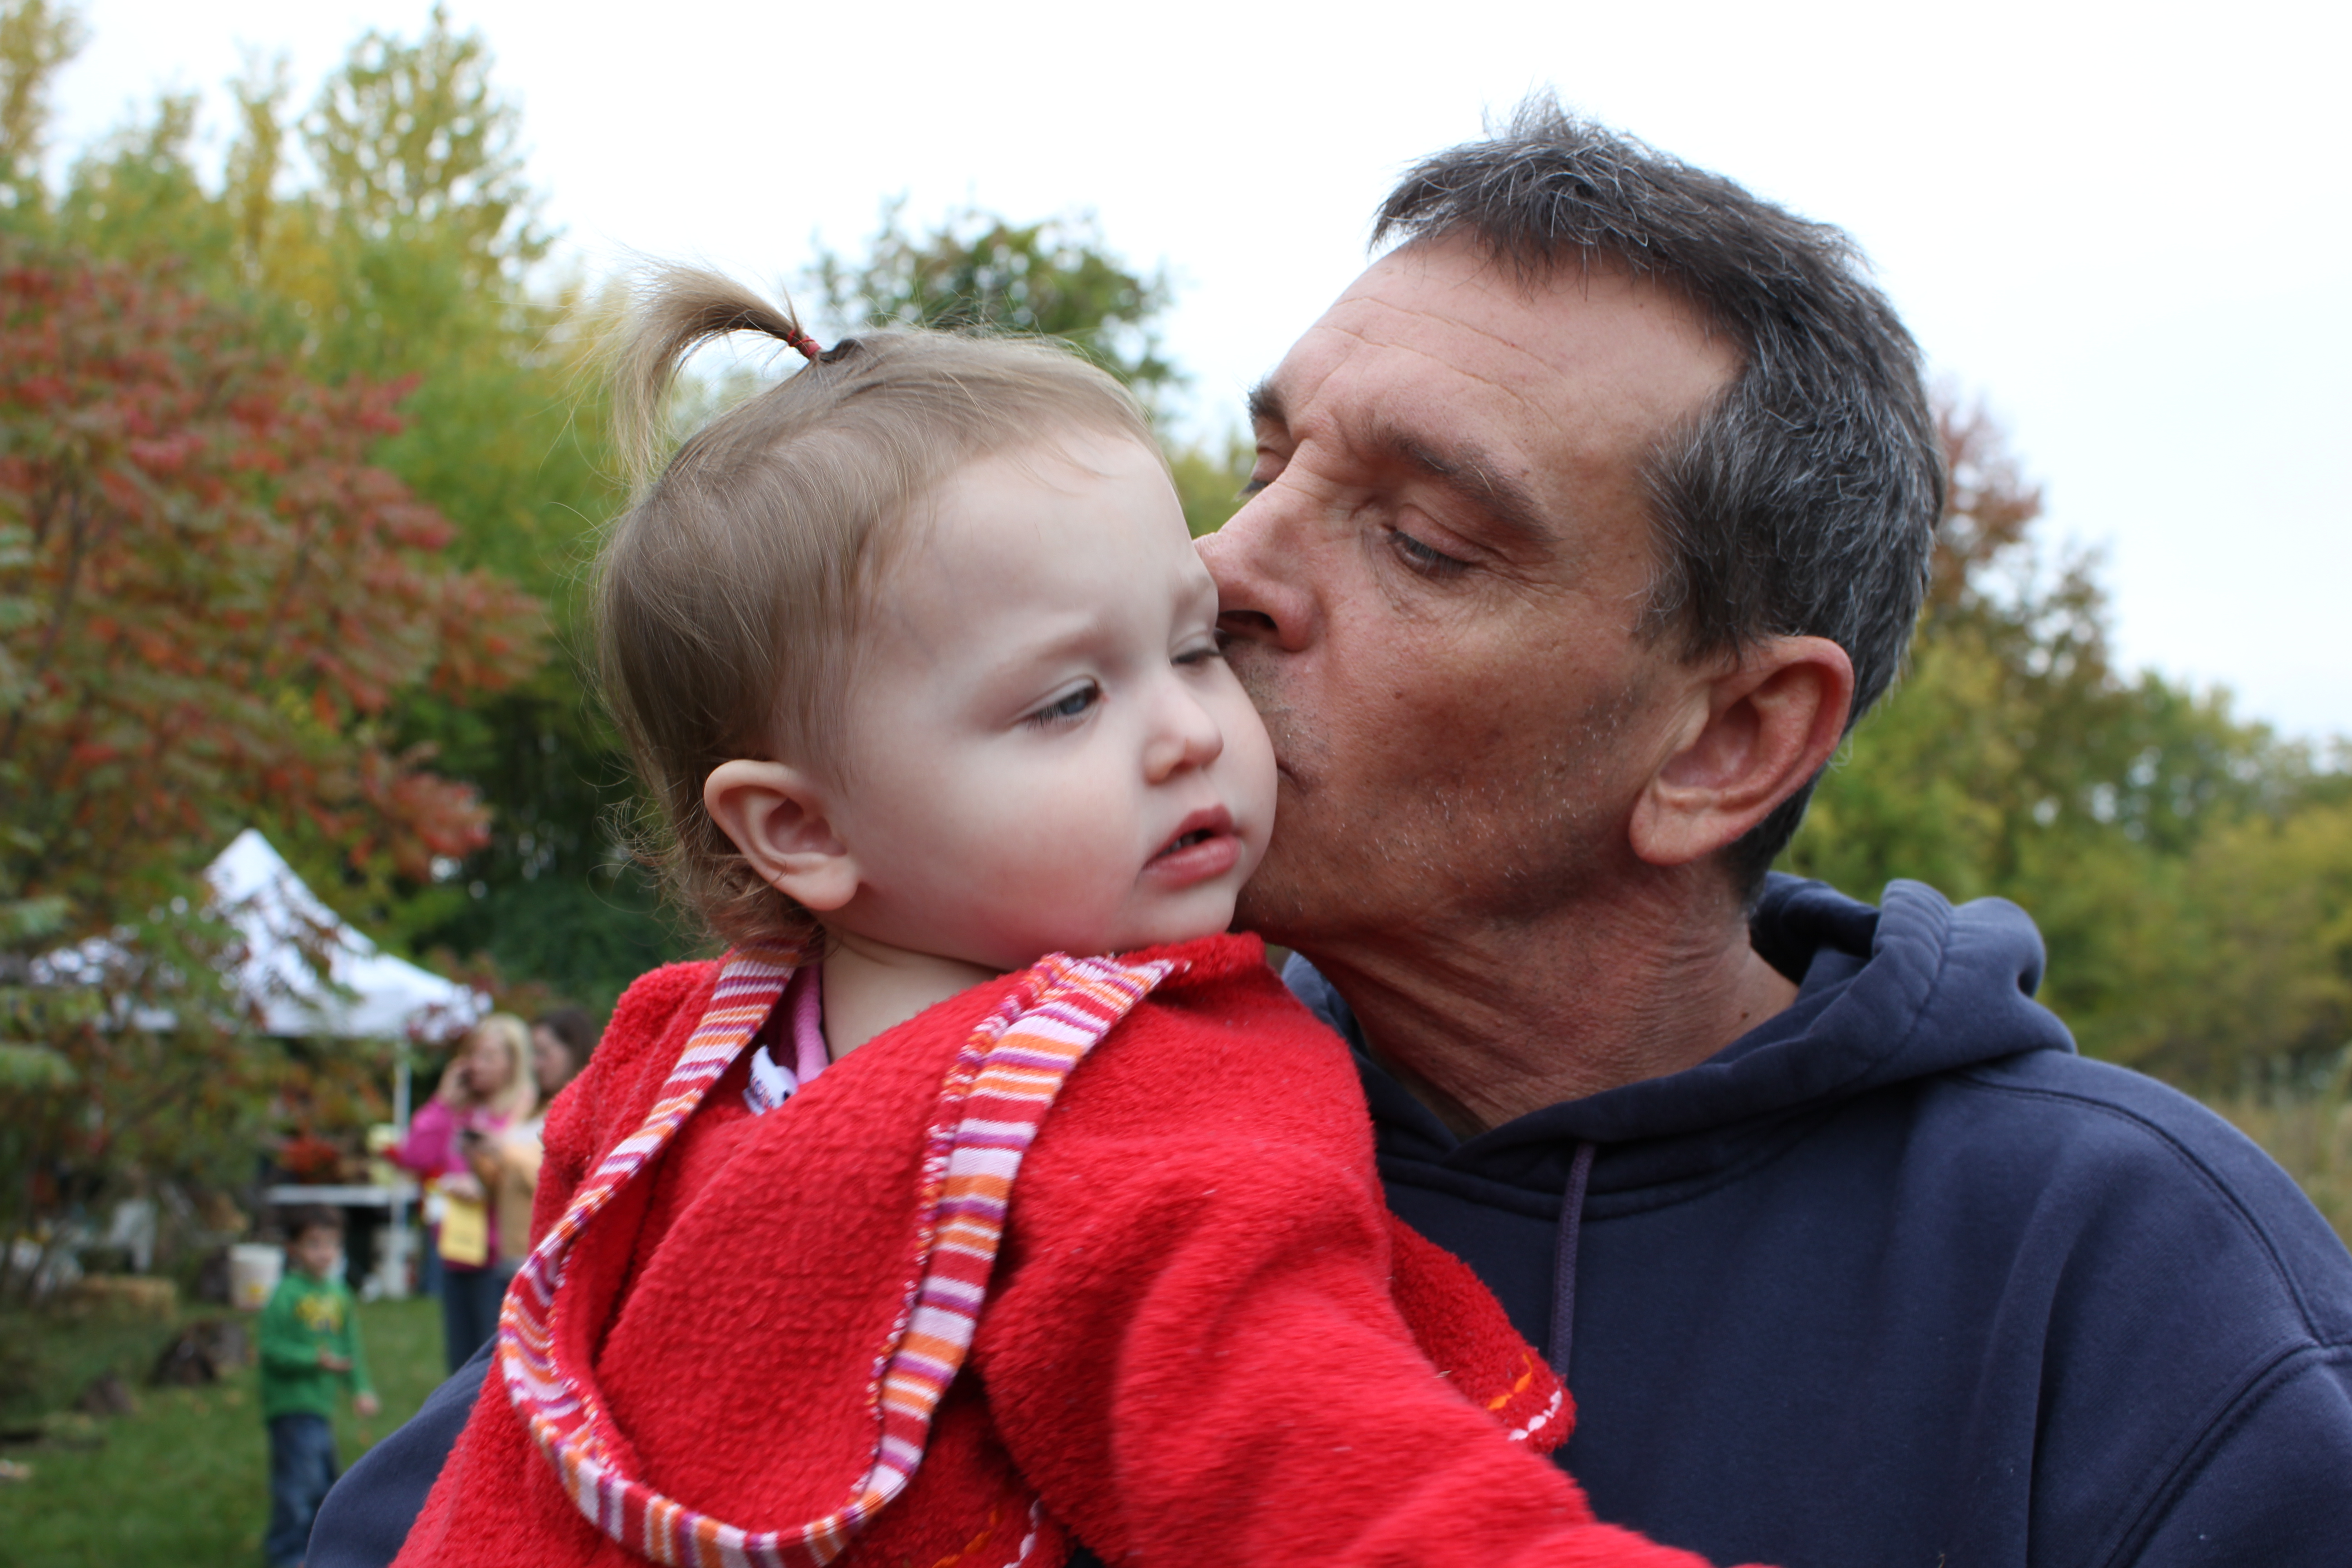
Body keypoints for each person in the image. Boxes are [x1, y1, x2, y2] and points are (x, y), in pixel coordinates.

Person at [318, 101, 2352, 1568]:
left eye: (1422, 537)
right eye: (1267, 458)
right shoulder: (922, 1093)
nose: (1224, 570)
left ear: (1726, 740)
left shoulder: (2119, 1281)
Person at [386, 274, 1725, 1568]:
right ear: (802, 829)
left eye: (1192, 647)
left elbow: (1299, 1446)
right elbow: (1324, 1491)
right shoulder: (1133, 1087)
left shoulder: (692, 1051)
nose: (1190, 730)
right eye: (1068, 702)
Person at [390, 1014, 536, 1372]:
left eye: (488, 1056)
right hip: (457, 1251)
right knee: (460, 1366)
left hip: (499, 1259)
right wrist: (442, 1103)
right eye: (473, 1055)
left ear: (513, 1062)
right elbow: (415, 1157)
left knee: (492, 1366)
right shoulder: (459, 1113)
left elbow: (527, 1175)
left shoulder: (525, 1112)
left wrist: (484, 1185)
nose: (476, 1065)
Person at [260, 1206, 380, 1568]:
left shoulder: (339, 1294)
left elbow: (350, 1347)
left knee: (325, 1480)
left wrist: (360, 1389)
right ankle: (289, 1553)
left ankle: (317, 1549)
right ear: (293, 1249)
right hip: (290, 1404)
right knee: (299, 1484)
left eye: (332, 1244)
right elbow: (271, 1349)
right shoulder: (285, 1295)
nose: (324, 1253)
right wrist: (313, 1360)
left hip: (320, 1406)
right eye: (314, 1244)